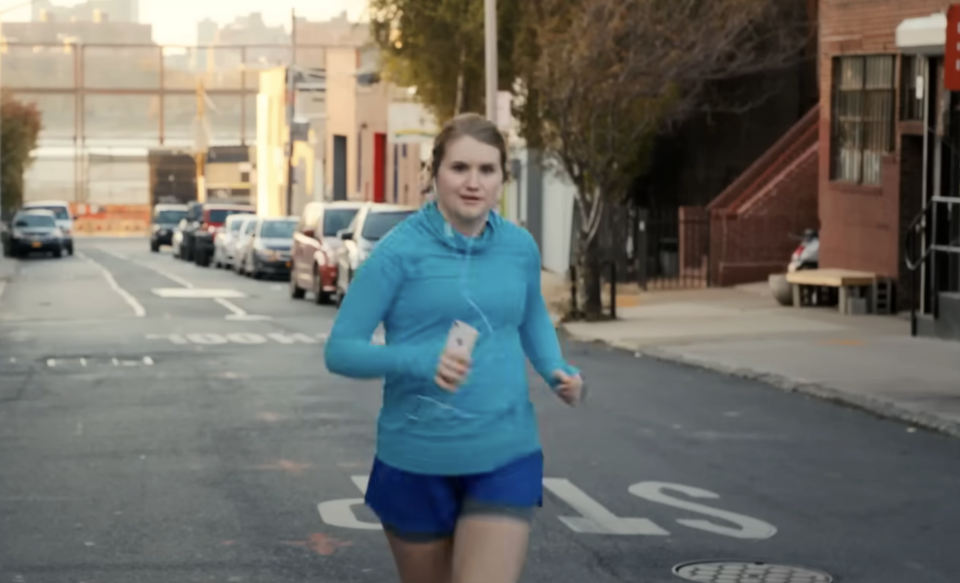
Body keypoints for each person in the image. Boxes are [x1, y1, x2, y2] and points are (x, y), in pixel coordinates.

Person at [324, 112, 584, 583]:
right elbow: (340, 349)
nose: (473, 182)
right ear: (435, 174)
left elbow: (531, 316)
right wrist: (420, 360)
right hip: (416, 458)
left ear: (502, 178)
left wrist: (555, 368)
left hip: (506, 452)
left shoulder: (519, 247)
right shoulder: (397, 253)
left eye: (487, 170)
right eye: (459, 168)